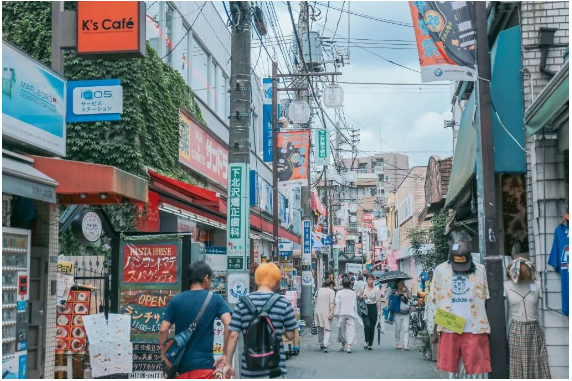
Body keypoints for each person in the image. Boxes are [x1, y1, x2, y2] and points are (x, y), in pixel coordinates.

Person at [223, 263, 298, 379]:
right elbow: (291, 335)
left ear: (257, 279)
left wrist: (228, 363)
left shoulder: (242, 303)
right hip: (275, 370)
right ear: (277, 281)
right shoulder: (284, 304)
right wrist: (278, 329)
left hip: (249, 369)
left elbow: (233, 335)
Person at [159, 261, 232, 379]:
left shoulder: (176, 300)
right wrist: (225, 354)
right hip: (204, 368)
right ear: (206, 278)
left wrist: (164, 355)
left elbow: (163, 329)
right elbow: (228, 322)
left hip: (180, 369)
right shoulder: (215, 299)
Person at [505, 258, 550, 379]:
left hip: (534, 329)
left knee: (537, 363)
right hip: (517, 330)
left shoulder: (536, 285)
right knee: (518, 365)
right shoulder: (506, 286)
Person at [335, 277, 360, 353]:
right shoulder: (353, 293)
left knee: (342, 330)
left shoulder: (339, 293)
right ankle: (349, 346)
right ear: (350, 285)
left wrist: (336, 312)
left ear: (342, 284)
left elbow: (337, 302)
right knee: (350, 330)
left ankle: (343, 345)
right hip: (350, 313)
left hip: (342, 313)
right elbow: (354, 303)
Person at [358, 273, 382, 350]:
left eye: (372, 279)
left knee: (372, 326)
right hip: (365, 308)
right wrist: (362, 297)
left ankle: (370, 344)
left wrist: (379, 311)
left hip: (373, 308)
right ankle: (366, 341)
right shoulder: (363, 288)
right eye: (369, 279)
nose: (371, 281)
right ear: (366, 280)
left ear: (374, 280)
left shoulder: (377, 289)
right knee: (367, 325)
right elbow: (359, 296)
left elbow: (378, 301)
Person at [314, 280, 335, 352]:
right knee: (327, 328)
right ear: (331, 285)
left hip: (317, 311)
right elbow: (331, 303)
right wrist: (332, 312)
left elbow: (315, 301)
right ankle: (326, 345)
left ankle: (321, 344)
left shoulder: (318, 290)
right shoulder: (331, 292)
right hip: (326, 311)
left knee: (320, 327)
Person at [392, 280, 412, 350]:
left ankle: (406, 344)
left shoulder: (405, 292)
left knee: (406, 329)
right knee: (398, 329)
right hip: (398, 313)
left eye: (403, 283)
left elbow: (410, 297)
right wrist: (396, 296)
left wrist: (406, 288)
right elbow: (392, 302)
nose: (402, 285)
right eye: (401, 283)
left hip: (406, 313)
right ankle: (397, 343)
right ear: (397, 284)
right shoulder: (394, 292)